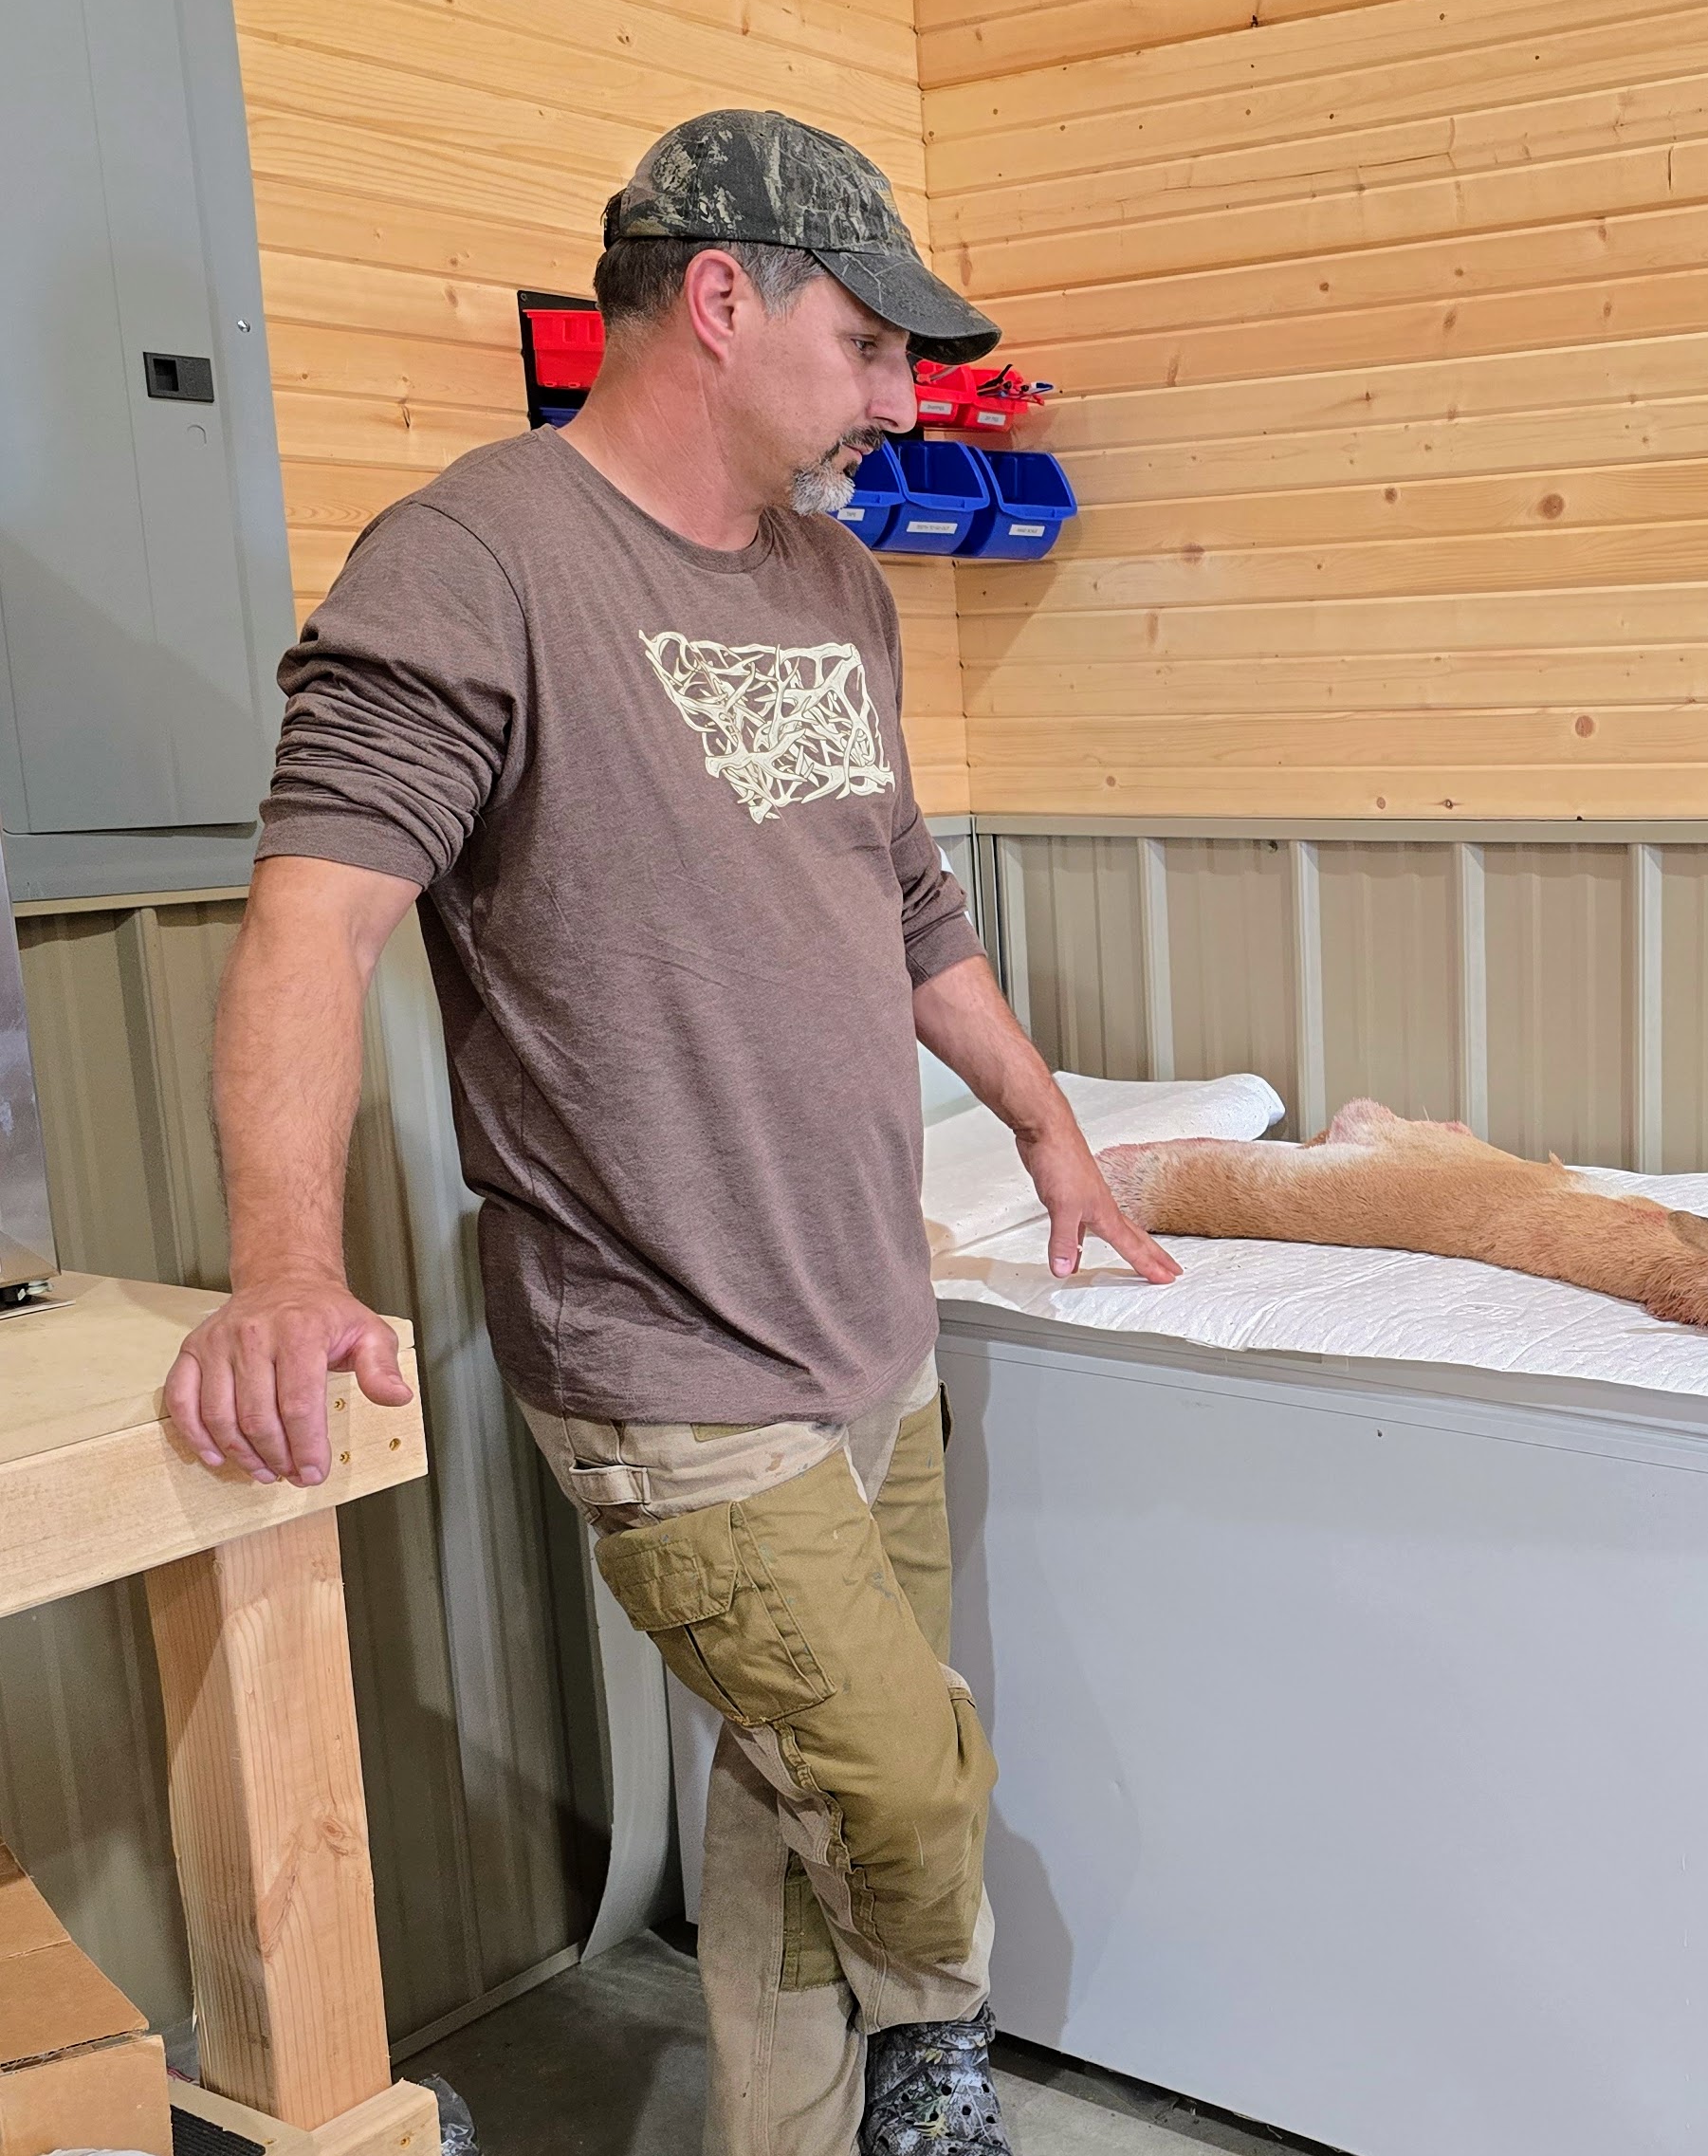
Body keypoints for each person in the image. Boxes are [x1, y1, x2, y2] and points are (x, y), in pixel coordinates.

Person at [161, 109, 1178, 2156]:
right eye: (872, 342)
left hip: (865, 1319)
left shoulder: (833, 581)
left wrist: (1055, 1137)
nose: (898, 398)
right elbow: (309, 929)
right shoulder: (474, 562)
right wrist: (282, 1262)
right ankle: (939, 2051)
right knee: (895, 1783)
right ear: (722, 298)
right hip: (662, 1358)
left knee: (789, 1799)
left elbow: (909, 909)